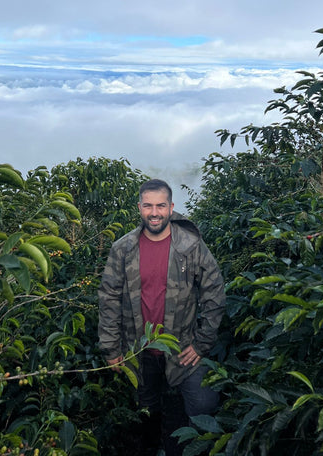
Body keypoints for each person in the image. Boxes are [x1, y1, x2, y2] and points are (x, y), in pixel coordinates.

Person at [98, 179, 226, 455]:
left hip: (182, 346)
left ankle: (192, 447)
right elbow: (108, 298)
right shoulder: (123, 249)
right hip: (138, 349)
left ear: (171, 207)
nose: (154, 212)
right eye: (148, 206)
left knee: (203, 404)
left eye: (160, 206)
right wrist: (111, 348)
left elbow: (214, 292)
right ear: (139, 208)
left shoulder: (190, 246)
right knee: (147, 412)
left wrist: (203, 343)